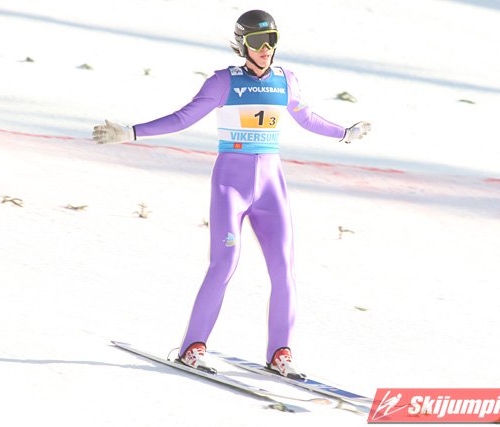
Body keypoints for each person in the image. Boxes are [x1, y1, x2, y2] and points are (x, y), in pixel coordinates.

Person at [93, 10, 371, 378]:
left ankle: (280, 352)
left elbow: (307, 118)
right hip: (231, 183)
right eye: (257, 41)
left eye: (271, 40)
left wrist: (345, 133)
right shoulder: (223, 82)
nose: (265, 49)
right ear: (242, 44)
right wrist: (131, 132)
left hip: (271, 185)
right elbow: (183, 117)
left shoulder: (286, 81)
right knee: (224, 263)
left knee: (283, 269)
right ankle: (192, 347)